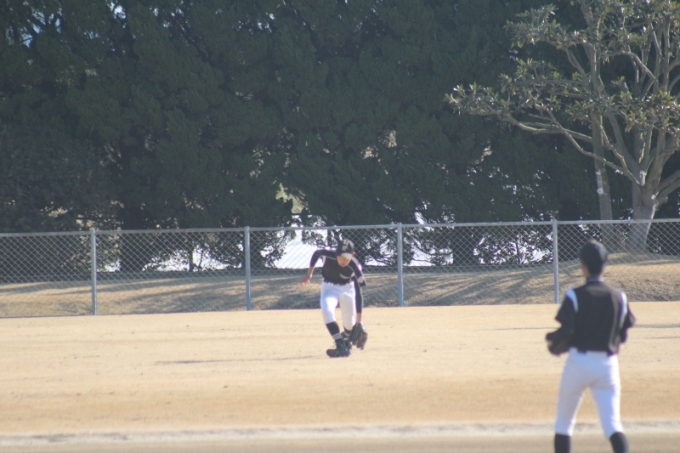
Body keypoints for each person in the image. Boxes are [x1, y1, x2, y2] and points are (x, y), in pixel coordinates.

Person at [546, 239, 636, 453]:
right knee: (613, 425)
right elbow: (623, 332)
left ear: (583, 266)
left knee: (564, 424)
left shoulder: (574, 295)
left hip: (579, 362)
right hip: (607, 365)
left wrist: (552, 340)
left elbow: (566, 331)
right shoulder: (619, 297)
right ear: (604, 265)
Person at [300, 239, 367, 358]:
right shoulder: (328, 255)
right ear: (336, 253)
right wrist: (309, 273)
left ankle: (346, 342)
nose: (343, 260)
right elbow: (316, 254)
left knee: (349, 324)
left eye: (347, 257)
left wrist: (359, 321)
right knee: (327, 310)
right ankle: (340, 345)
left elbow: (358, 293)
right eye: (340, 257)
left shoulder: (355, 267)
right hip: (329, 287)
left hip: (348, 289)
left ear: (353, 255)